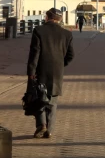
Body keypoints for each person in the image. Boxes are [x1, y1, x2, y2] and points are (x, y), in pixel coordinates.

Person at [27, 8, 75, 139]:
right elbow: (71, 55)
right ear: (59, 19)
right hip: (57, 72)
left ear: (47, 17)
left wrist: (31, 71)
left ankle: (42, 125)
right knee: (52, 101)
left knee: (39, 97)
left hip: (40, 70)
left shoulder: (39, 31)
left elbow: (34, 53)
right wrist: (61, 64)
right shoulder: (67, 34)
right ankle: (50, 129)